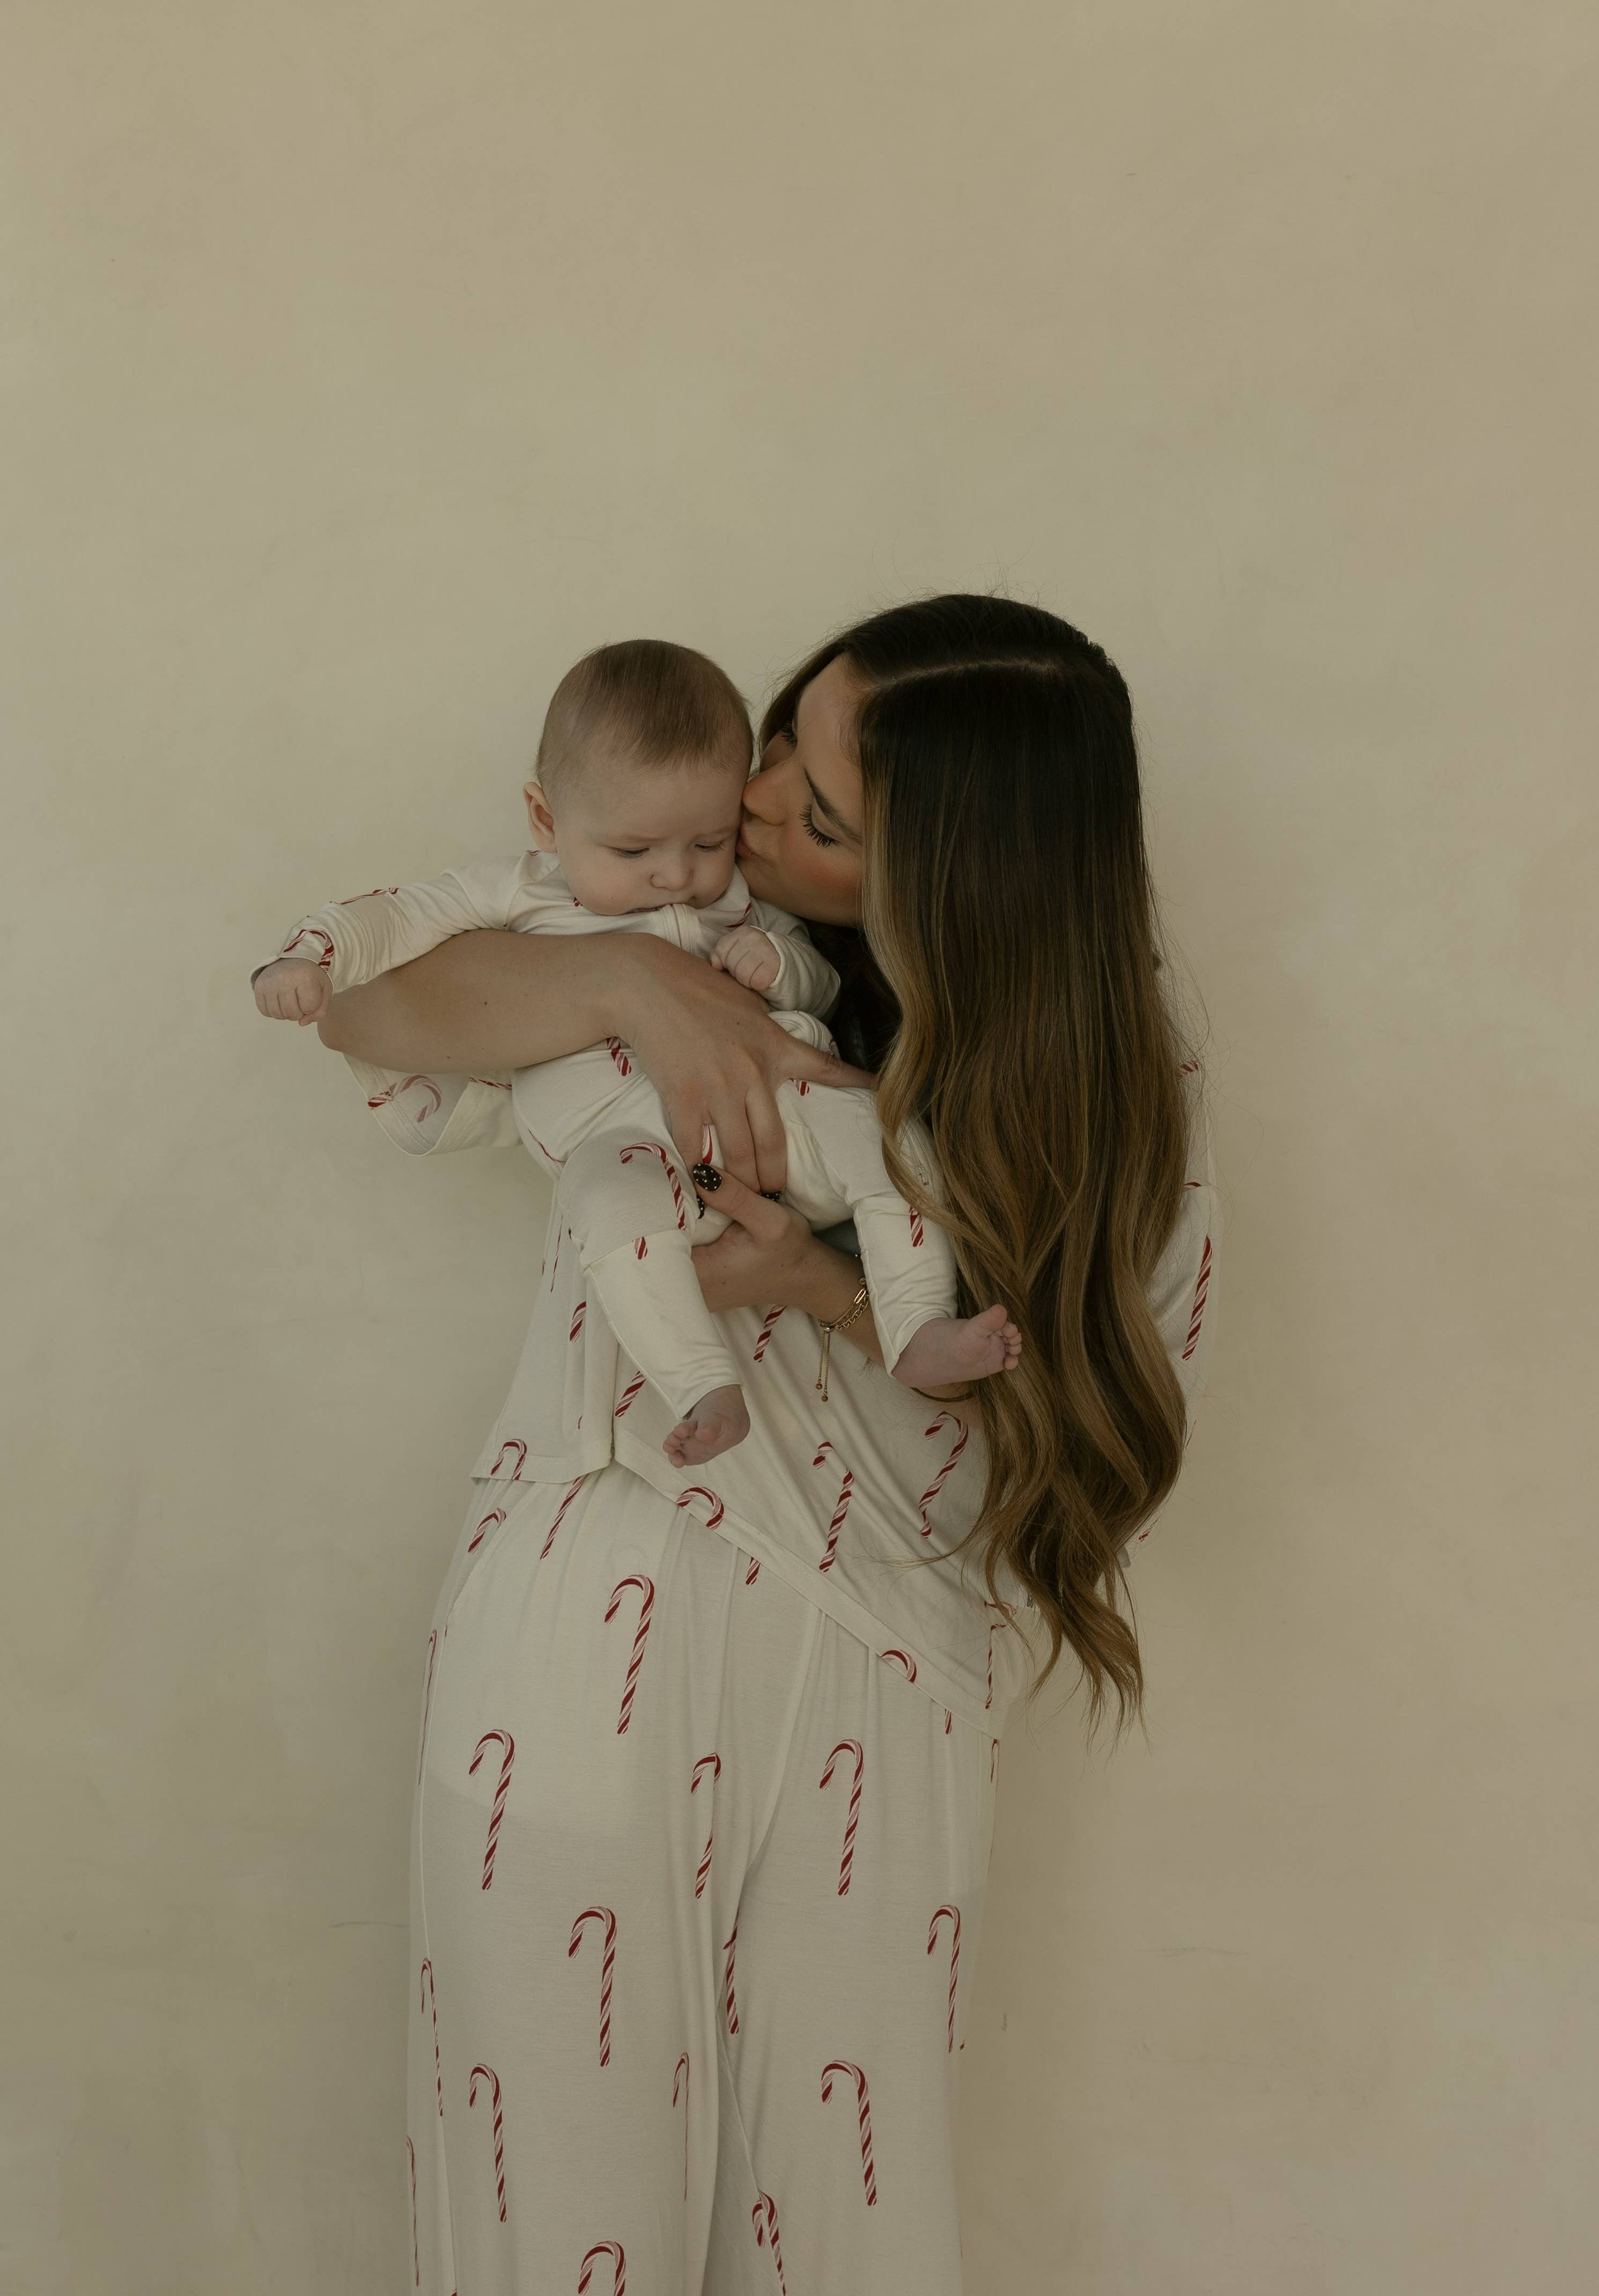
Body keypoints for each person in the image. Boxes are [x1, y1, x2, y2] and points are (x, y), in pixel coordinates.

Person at [310, 593, 1220, 2295]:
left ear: (953, 876)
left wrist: (819, 1284)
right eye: (784, 737)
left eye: (821, 814)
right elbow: (365, 1010)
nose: (753, 805)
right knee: (552, 2199)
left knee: (840, 2221)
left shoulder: (1109, 1075)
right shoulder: (670, 918)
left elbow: (1102, 1433)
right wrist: (631, 978)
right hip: (597, 1589)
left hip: (880, 1659)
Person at [253, 637, 1018, 1468]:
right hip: (632, 1151)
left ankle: (917, 1323)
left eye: (708, 842)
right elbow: (388, 930)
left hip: (789, 1130)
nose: (676, 876)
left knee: (884, 1134)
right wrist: (308, 958)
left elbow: (813, 982)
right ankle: (698, 1383)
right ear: (547, 820)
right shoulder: (526, 888)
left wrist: (778, 968)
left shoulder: (743, 901)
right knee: (606, 1197)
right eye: (784, 742)